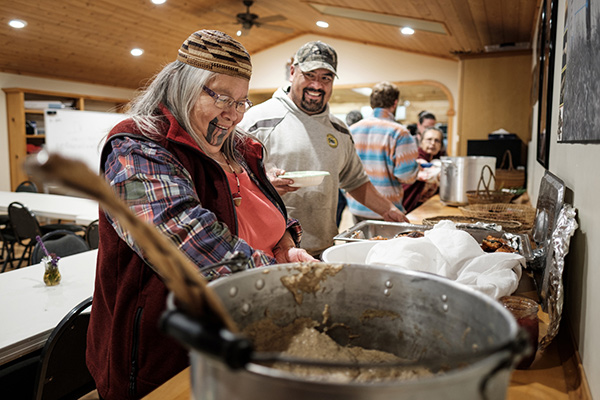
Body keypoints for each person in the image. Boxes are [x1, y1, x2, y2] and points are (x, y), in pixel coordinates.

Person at [86, 29, 315, 399]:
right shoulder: (137, 147)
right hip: (164, 357)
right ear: (181, 85)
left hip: (240, 338)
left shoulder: (240, 148)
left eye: (241, 102)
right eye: (221, 96)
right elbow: (184, 242)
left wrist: (285, 244)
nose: (233, 115)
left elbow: (262, 213)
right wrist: (290, 284)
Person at [239, 41, 409, 257]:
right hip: (268, 251)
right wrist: (264, 184)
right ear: (292, 72)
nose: (317, 86)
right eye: (310, 75)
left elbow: (356, 181)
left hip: (323, 248)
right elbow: (230, 183)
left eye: (325, 78)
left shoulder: (339, 130)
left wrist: (389, 210)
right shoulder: (255, 121)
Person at [345, 82, 419, 222]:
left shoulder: (352, 130)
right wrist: (417, 168)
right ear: (395, 103)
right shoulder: (399, 132)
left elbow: (344, 170)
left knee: (361, 243)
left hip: (357, 205)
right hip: (387, 209)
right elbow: (405, 176)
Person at [402, 127, 445, 212]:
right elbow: (428, 174)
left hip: (425, 207)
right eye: (429, 139)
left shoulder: (437, 160)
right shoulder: (414, 158)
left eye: (437, 141)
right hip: (407, 208)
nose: (433, 143)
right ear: (421, 142)